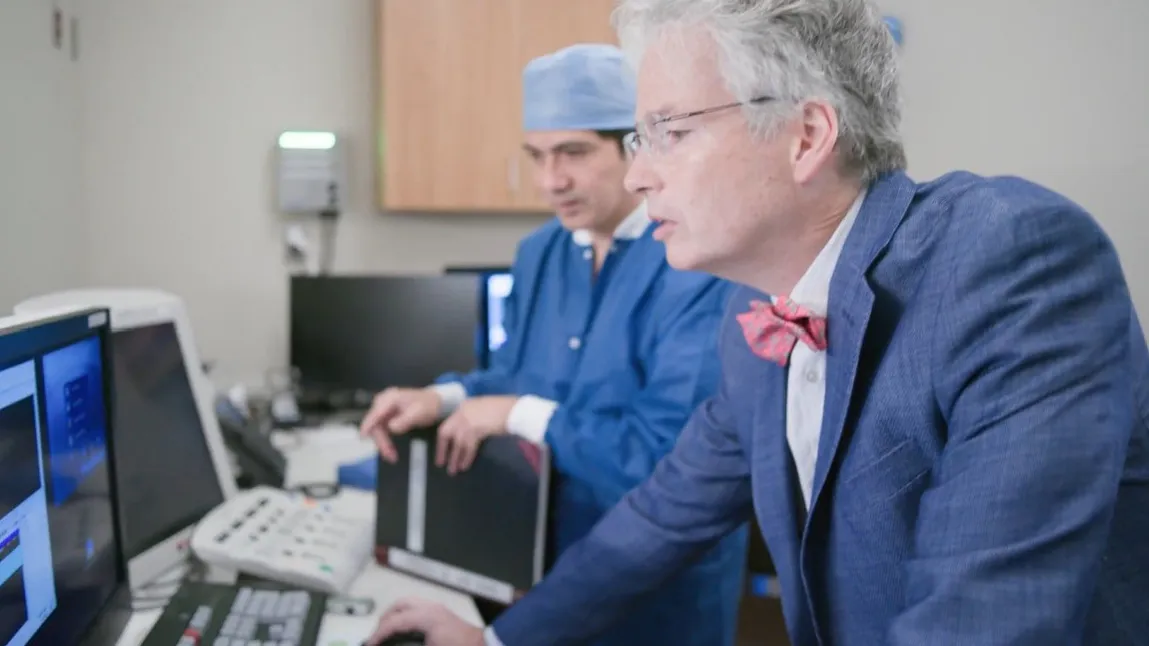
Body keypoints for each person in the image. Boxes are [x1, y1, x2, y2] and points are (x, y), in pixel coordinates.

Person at [364, 0, 1149, 645]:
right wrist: (496, 641)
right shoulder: (756, 310)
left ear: (805, 136)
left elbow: (982, 621)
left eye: (668, 132)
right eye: (638, 139)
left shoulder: (1009, 261)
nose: (638, 174)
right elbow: (661, 516)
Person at [360, 43, 748, 646]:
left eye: (573, 153)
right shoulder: (541, 252)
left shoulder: (699, 264)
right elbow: (517, 373)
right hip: (541, 566)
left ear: (637, 144)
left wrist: (513, 413)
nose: (551, 181)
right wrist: (442, 400)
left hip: (657, 589)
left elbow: (663, 458)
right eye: (537, 157)